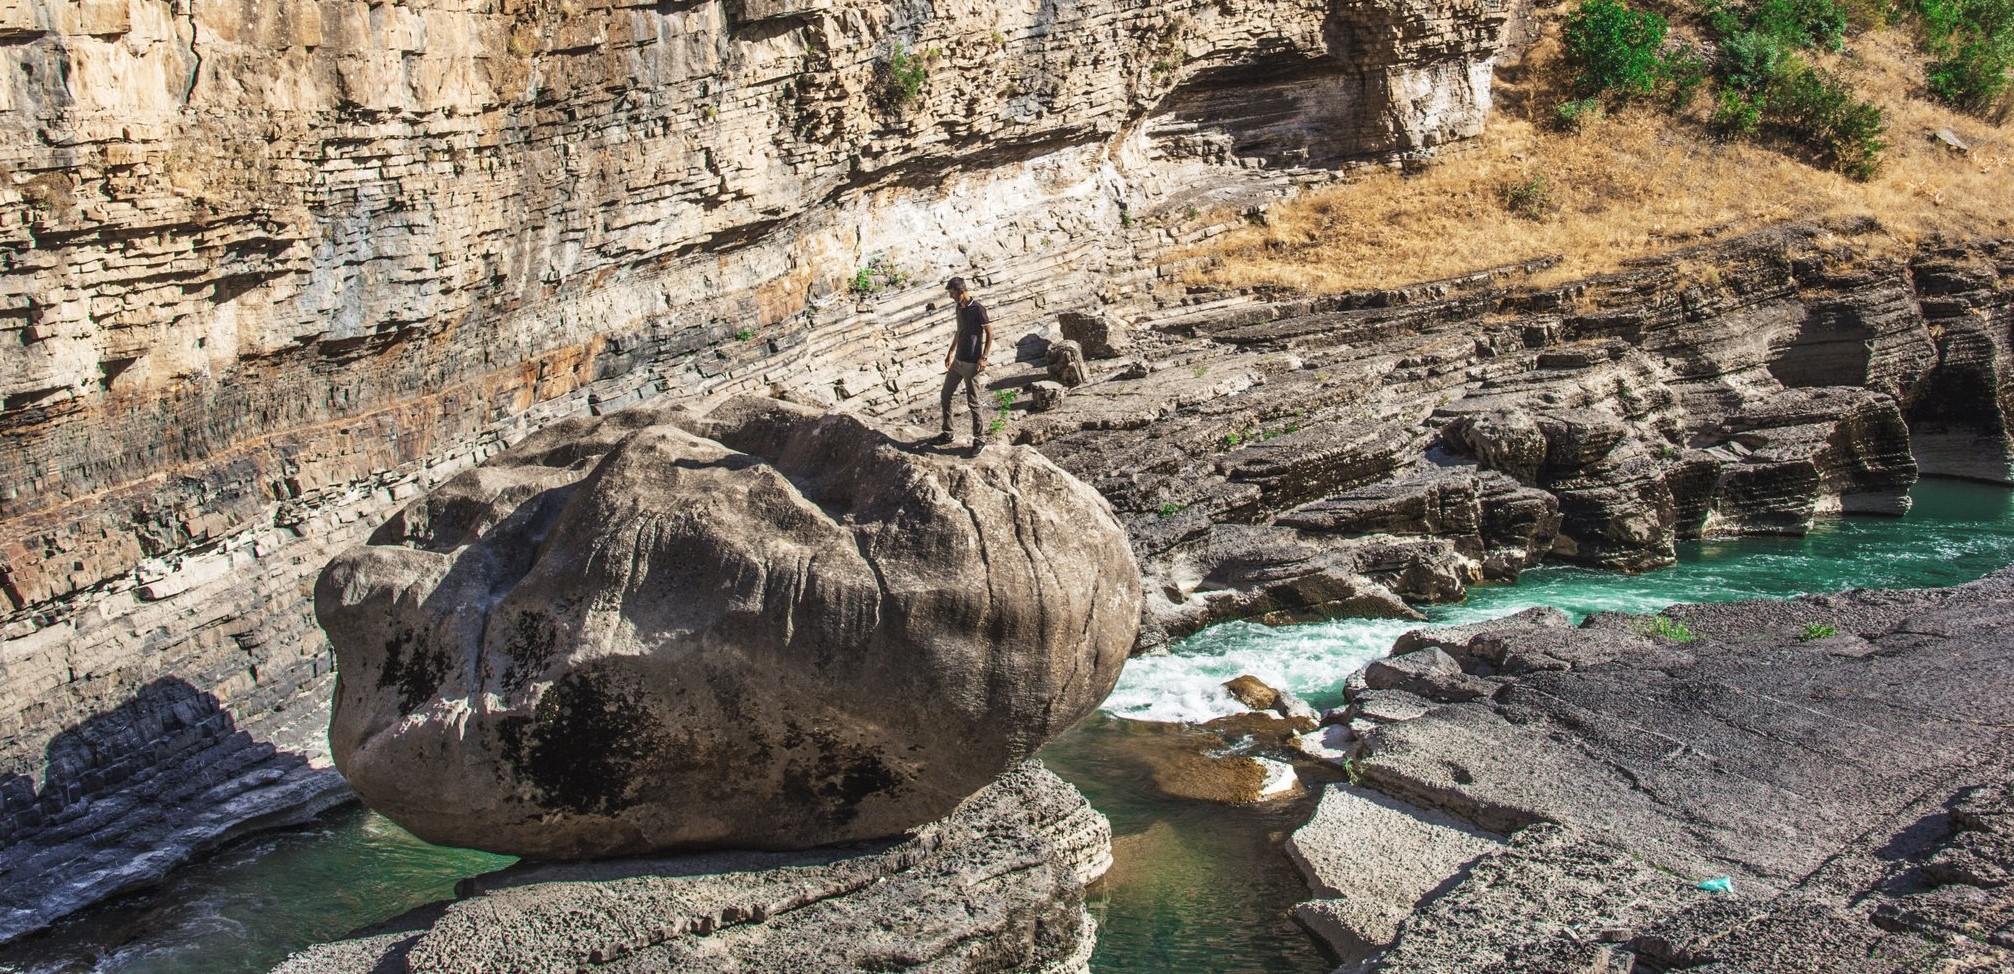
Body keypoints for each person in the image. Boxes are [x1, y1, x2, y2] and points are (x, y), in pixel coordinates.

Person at [937, 277, 993, 457]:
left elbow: (990, 334)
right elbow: (959, 330)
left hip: (972, 361)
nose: (950, 296)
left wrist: (983, 357)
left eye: (952, 293)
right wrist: (950, 352)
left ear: (961, 291)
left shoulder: (978, 309)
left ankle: (980, 439)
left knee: (973, 401)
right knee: (945, 394)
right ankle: (947, 433)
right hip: (958, 361)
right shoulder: (958, 308)